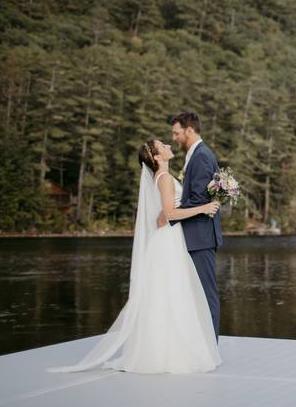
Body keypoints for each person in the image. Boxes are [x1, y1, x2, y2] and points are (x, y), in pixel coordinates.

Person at [49, 139, 221, 374]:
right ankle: (169, 352)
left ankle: (165, 348)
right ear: (157, 156)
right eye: (162, 145)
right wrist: (203, 208)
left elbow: (163, 214)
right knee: (173, 293)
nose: (168, 145)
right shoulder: (165, 178)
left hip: (168, 239)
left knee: (169, 295)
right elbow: (170, 214)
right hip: (169, 241)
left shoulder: (161, 178)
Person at [168, 111, 223, 337]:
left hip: (200, 236)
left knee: (206, 293)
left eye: (176, 133)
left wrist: (170, 214)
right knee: (196, 293)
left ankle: (211, 344)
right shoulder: (195, 154)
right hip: (196, 234)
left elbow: (200, 199)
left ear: (189, 130)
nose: (174, 138)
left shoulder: (200, 155)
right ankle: (201, 343)